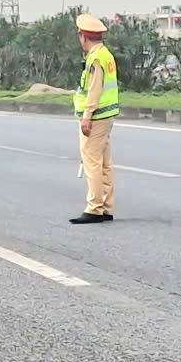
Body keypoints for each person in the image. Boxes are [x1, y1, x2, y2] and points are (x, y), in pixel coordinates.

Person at [70, 14, 119, 225]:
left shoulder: (96, 59)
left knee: (92, 163)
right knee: (104, 164)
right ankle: (106, 207)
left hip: (96, 116)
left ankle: (94, 208)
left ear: (83, 36)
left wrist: (86, 117)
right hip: (106, 116)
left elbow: (94, 90)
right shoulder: (106, 55)